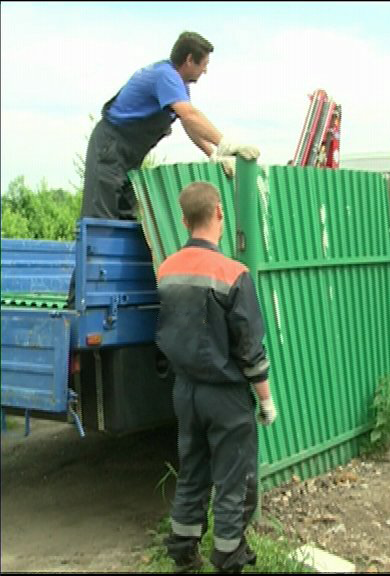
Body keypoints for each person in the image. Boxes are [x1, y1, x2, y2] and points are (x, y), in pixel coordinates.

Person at [156, 181, 277, 572]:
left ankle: (183, 556)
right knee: (234, 482)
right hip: (225, 398)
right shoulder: (232, 273)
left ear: (183, 219)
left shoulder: (167, 269)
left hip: (185, 391)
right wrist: (266, 400)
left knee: (192, 472)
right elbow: (249, 348)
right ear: (219, 214)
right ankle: (229, 558)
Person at [80, 31, 259, 220]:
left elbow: (189, 123)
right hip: (110, 147)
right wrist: (225, 143)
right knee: (102, 215)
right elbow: (191, 115)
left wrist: (213, 154)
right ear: (190, 60)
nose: (205, 70)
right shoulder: (165, 76)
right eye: (204, 64)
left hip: (128, 155)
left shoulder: (178, 84)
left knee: (125, 213)